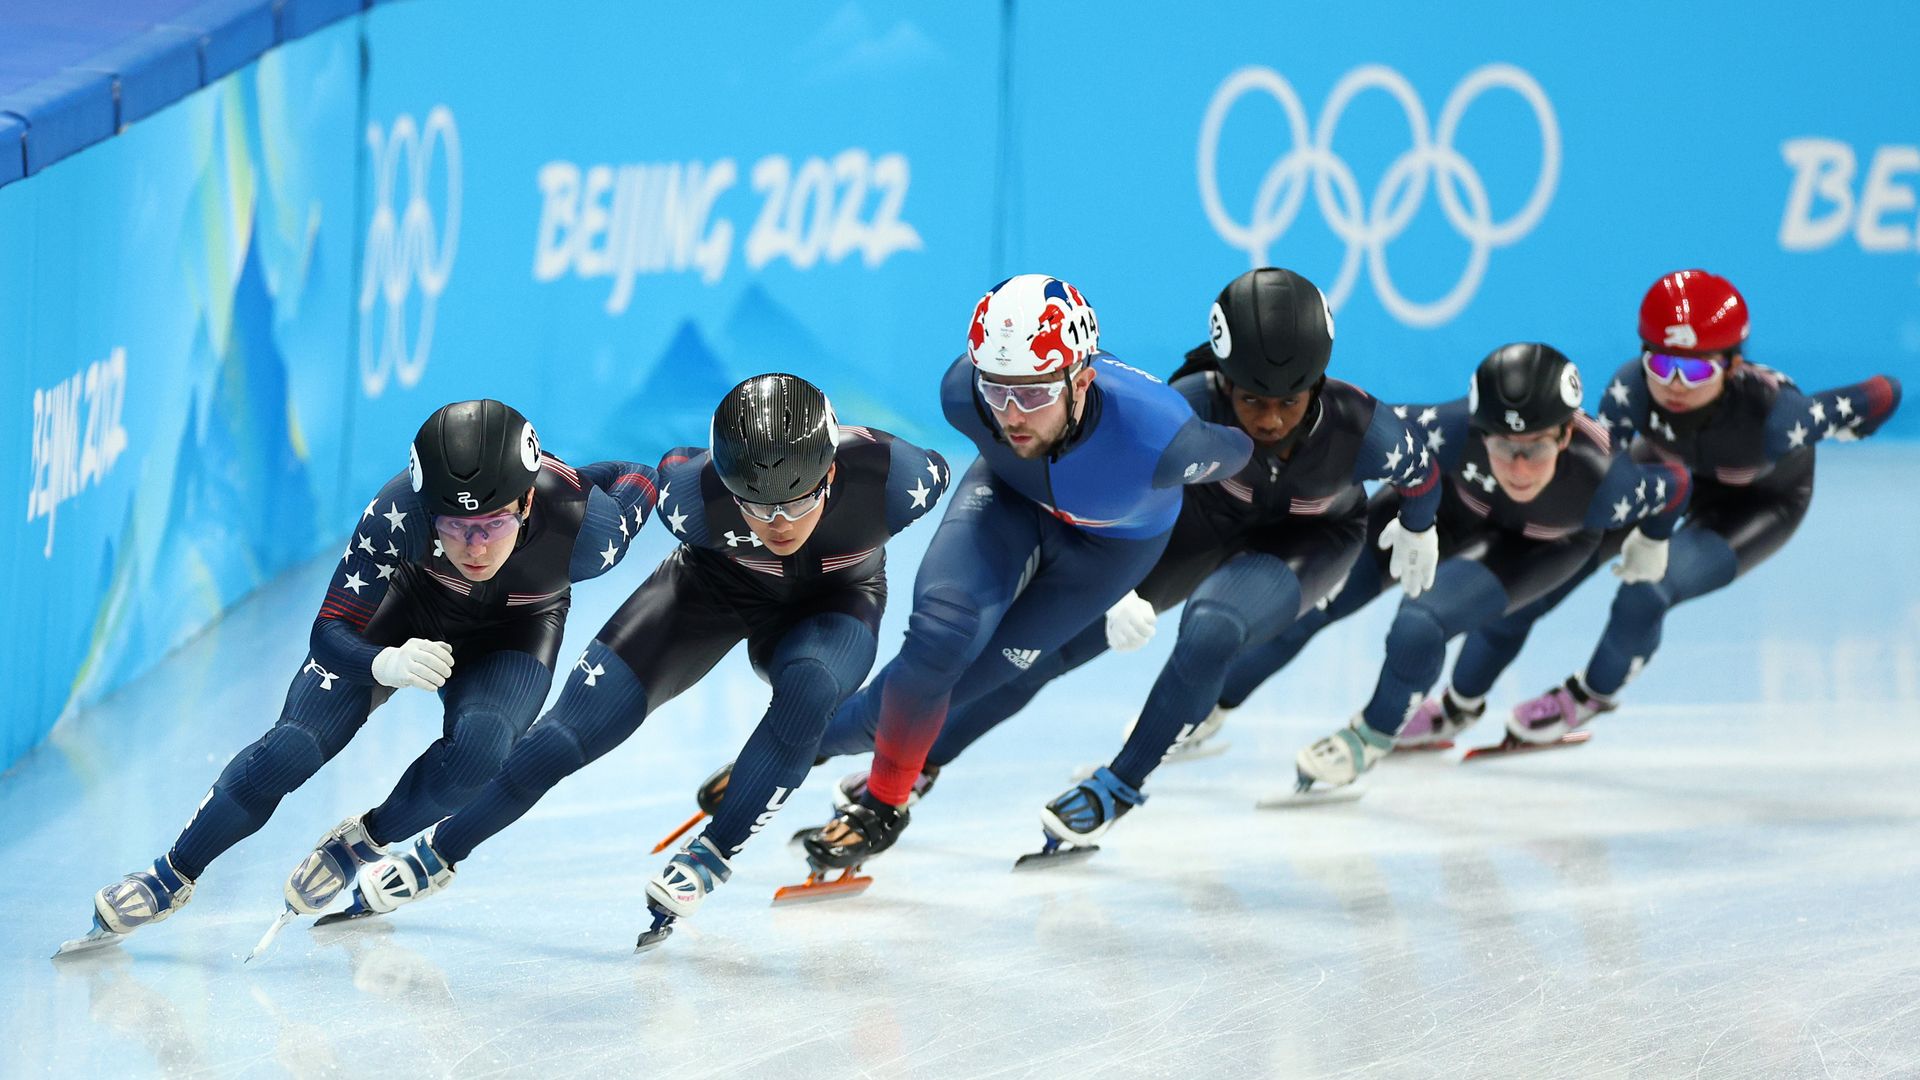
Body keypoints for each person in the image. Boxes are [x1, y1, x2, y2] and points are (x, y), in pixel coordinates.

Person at [346, 374, 948, 948]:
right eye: (755, 508)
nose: (777, 525)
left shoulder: (896, 477)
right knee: (564, 734)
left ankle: (713, 854)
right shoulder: (690, 496)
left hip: (835, 603)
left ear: (832, 472)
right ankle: (437, 853)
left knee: (811, 690)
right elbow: (661, 473)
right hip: (708, 594)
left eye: (795, 504)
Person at [870, 268, 1441, 851]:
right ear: (1222, 379)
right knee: (1042, 654)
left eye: (1289, 402)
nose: (1269, 420)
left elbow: (1424, 474)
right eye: (1251, 400)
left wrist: (1419, 527)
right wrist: (1112, 582)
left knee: (1212, 628)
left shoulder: (1363, 427)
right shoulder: (1186, 404)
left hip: (1308, 541)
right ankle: (924, 762)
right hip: (1199, 524)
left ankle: (1120, 784)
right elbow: (1118, 490)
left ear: (1317, 386)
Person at [63, 400, 658, 954]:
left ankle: (363, 843)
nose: (475, 545)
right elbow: (328, 633)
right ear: (428, 508)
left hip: (517, 629)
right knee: (292, 746)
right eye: (453, 523)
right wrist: (382, 663)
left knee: (482, 752)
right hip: (403, 614)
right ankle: (170, 874)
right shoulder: (396, 511)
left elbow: (635, 473)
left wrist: (565, 473)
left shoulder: (587, 531)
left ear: (527, 503)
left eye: (494, 522)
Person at [789, 273, 1254, 877]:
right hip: (1010, 502)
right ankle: (876, 796)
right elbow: (999, 405)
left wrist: (1154, 585)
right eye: (998, 391)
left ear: (1081, 381)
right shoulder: (963, 395)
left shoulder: (1163, 438)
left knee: (978, 682)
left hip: (1109, 554)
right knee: (937, 643)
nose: (1011, 415)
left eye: (1033, 395)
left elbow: (1242, 452)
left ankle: (817, 747)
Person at [1403, 270, 1903, 747]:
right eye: (1662, 364)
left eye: (1695, 368)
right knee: (1535, 583)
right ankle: (1458, 705)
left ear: (1731, 365)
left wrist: (1853, 422)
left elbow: (1886, 392)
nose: (1676, 385)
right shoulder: (1631, 391)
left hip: (1758, 503)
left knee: (1648, 588)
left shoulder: (1781, 417)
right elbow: (1594, 471)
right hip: (1664, 472)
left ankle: (1590, 695)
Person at [1219, 343, 1694, 792]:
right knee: (1316, 598)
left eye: (1537, 448)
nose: (1520, 468)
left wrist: (1653, 539)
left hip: (1541, 543)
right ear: (1480, 430)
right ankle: (1211, 705)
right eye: (1504, 447)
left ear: (1566, 435)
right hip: (1449, 509)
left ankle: (1370, 737)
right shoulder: (1448, 428)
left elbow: (1675, 484)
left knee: (1420, 622)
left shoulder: (1608, 482)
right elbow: (1340, 432)